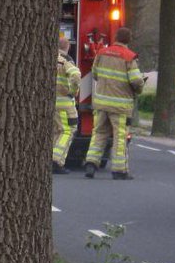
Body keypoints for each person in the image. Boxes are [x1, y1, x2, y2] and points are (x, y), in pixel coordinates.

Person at [84, 27, 144, 180]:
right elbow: (136, 81)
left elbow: (95, 73)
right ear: (129, 40)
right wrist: (139, 88)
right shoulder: (129, 57)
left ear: (116, 37)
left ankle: (91, 163)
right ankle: (119, 170)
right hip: (120, 106)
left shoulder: (102, 52)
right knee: (119, 137)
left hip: (101, 103)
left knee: (99, 133)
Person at [52, 35, 81, 174]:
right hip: (64, 104)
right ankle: (56, 160)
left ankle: (51, 159)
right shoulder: (65, 61)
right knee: (67, 131)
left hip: (51, 105)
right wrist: (73, 91)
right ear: (67, 47)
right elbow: (76, 75)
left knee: (56, 131)